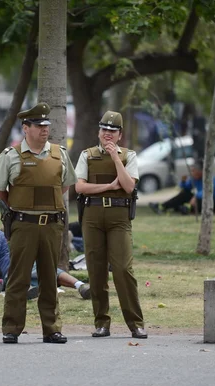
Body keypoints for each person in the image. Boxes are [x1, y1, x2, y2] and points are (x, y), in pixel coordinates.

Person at [0, 102, 77, 344]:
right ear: (25, 128)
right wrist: (19, 206)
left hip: (52, 225)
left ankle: (52, 329)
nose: (44, 129)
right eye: (38, 125)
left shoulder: (60, 154)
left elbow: (65, 186)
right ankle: (12, 328)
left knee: (50, 278)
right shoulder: (11, 156)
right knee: (19, 278)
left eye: (46, 125)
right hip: (24, 225)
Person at [75, 110, 148, 339]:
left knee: (123, 269)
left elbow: (128, 187)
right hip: (93, 216)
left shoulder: (129, 156)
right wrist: (108, 187)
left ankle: (135, 323)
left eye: (112, 131)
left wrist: (115, 158)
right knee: (96, 270)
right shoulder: (87, 155)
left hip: (119, 217)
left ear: (119, 135)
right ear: (98, 131)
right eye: (104, 130)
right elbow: (80, 187)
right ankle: (101, 322)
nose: (107, 134)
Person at [148, 160, 215, 215]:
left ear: (200, 171)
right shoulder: (194, 179)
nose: (191, 173)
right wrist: (183, 181)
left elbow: (207, 192)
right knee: (185, 193)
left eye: (193, 171)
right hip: (199, 200)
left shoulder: (210, 179)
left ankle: (185, 209)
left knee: (200, 198)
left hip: (214, 204)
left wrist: (196, 197)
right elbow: (186, 187)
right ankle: (162, 207)